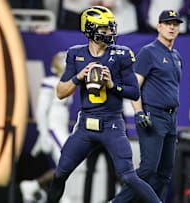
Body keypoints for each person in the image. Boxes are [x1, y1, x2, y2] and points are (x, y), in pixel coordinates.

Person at [47, 6, 162, 203]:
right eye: (104, 29)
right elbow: (60, 92)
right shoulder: (76, 54)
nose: (110, 33)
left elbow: (134, 92)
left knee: (128, 176)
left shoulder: (121, 54)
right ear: (90, 30)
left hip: (112, 124)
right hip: (85, 125)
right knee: (60, 173)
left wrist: (112, 85)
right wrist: (78, 77)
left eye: (110, 28)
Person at [112, 9, 183, 203]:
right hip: (153, 116)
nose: (171, 27)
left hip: (171, 118)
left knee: (165, 172)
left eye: (175, 24)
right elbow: (135, 85)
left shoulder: (176, 56)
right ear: (159, 27)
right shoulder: (148, 52)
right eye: (167, 23)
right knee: (148, 168)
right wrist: (139, 113)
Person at [20, 51, 74, 203]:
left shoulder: (68, 84)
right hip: (53, 129)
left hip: (61, 130)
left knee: (67, 165)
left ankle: (33, 186)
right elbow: (41, 110)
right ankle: (64, 197)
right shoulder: (50, 83)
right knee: (69, 162)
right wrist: (43, 133)